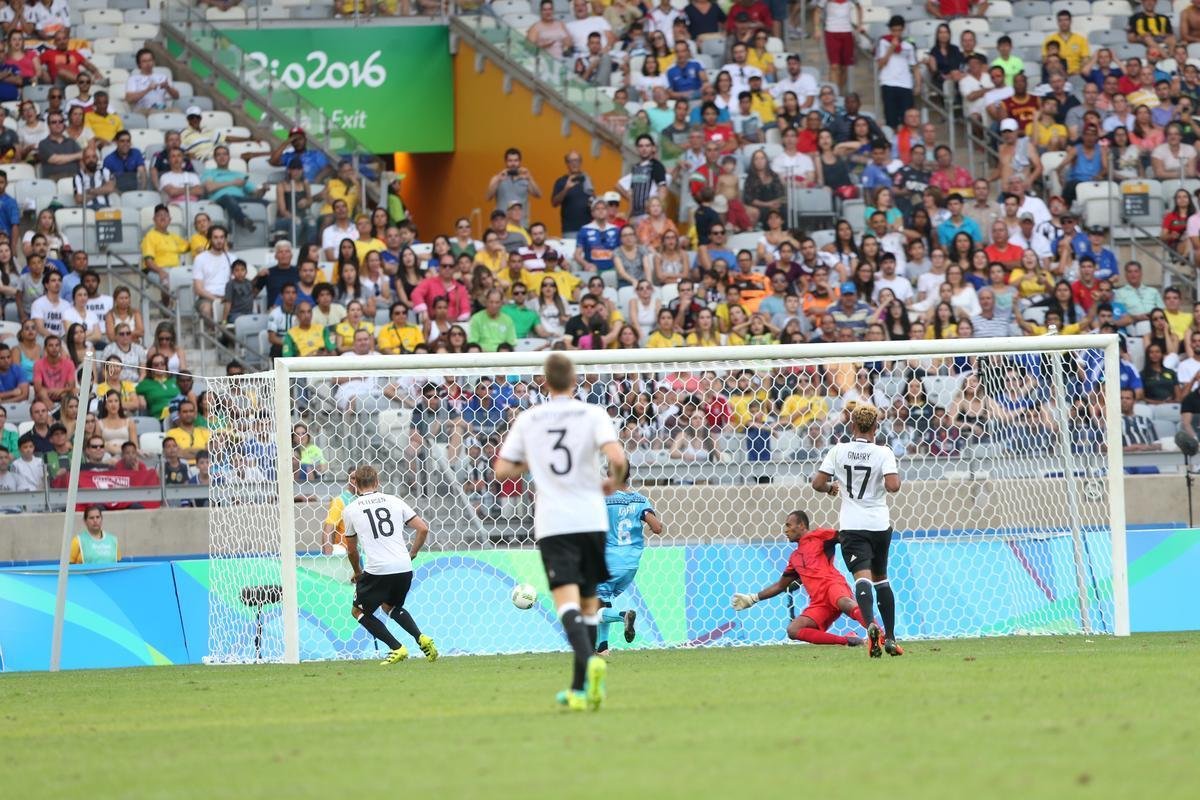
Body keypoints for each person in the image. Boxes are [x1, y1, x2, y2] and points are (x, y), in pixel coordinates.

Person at [495, 353, 628, 711]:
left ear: (545, 381)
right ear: (574, 380)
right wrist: (612, 484)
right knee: (588, 604)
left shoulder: (530, 418)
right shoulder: (593, 414)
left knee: (566, 604)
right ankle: (579, 689)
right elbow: (617, 459)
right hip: (591, 520)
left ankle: (592, 664)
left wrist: (530, 461)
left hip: (555, 523)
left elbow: (502, 471)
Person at [811, 403, 903, 657]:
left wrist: (831, 488)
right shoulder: (883, 453)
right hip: (878, 524)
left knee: (862, 579)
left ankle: (871, 626)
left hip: (852, 526)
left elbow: (817, 482)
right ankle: (892, 638)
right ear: (876, 427)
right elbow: (893, 486)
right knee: (882, 579)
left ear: (852, 426)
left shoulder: (838, 451)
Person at [341, 463, 438, 665]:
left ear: (356, 485)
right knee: (390, 606)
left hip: (378, 569)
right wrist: (412, 553)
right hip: (403, 567)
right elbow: (423, 529)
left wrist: (358, 572)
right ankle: (421, 638)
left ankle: (397, 648)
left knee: (358, 611)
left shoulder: (350, 509)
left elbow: (351, 549)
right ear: (378, 482)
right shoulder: (395, 501)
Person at [732, 509, 869, 647]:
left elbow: (844, 537)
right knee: (793, 630)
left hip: (833, 586)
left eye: (789, 525)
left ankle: (881, 636)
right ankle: (849, 641)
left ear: (802, 525)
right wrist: (753, 598)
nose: (786, 530)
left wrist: (860, 553)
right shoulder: (795, 558)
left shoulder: (819, 536)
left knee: (844, 602)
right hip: (819, 602)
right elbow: (780, 585)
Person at [592, 487, 663, 655]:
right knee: (604, 600)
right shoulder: (640, 500)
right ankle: (603, 648)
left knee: (591, 606)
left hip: (609, 561)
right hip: (631, 564)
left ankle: (623, 615)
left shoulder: (603, 498)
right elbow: (657, 528)